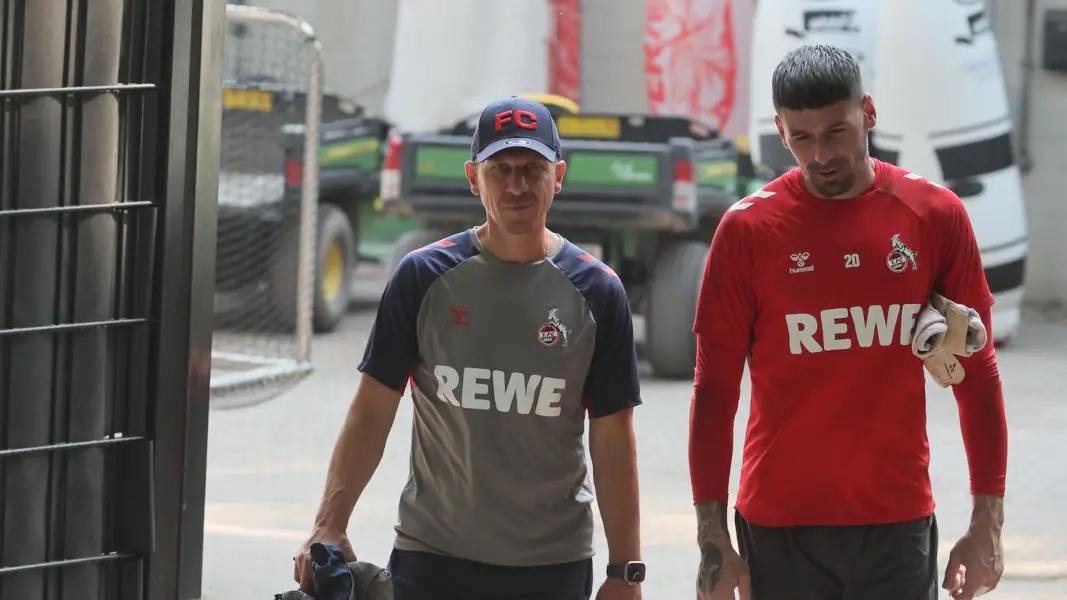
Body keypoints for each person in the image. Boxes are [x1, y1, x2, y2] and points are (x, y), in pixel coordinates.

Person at [293, 96, 646, 600]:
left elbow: (613, 441)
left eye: (533, 168)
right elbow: (372, 410)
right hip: (432, 558)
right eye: (499, 168)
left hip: (553, 564)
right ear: (473, 177)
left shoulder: (598, 291)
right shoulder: (424, 277)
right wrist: (329, 524)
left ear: (559, 175)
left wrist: (625, 570)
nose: (517, 185)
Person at [688, 45, 1008, 600]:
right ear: (780, 131)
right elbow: (715, 391)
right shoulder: (747, 232)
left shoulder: (933, 217)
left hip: (896, 522)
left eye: (836, 131)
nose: (820, 155)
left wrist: (987, 525)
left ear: (869, 112)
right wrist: (713, 538)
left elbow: (977, 377)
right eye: (802, 138)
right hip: (779, 525)